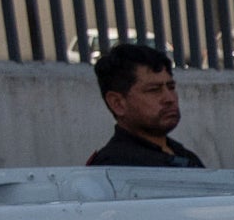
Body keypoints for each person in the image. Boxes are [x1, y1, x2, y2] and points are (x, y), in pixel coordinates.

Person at [84, 41, 203, 169]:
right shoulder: (114, 166)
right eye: (154, 90)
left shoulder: (185, 156)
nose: (169, 98)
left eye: (171, 87)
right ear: (117, 103)